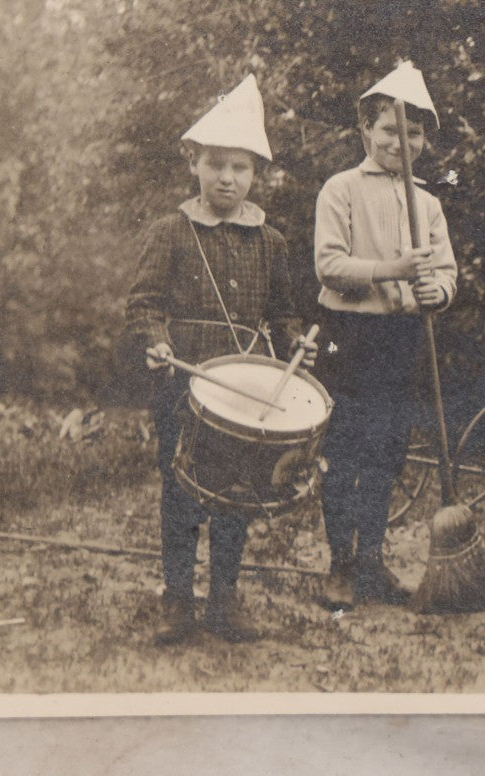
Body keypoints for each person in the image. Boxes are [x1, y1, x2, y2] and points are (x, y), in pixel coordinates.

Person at [125, 74, 317, 644]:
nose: (227, 178)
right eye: (216, 165)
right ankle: (177, 600)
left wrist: (298, 348)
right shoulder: (171, 232)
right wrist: (155, 341)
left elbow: (282, 315)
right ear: (194, 164)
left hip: (246, 385)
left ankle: (225, 601)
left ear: (255, 173)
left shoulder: (272, 242)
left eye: (240, 167)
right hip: (183, 381)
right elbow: (143, 304)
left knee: (239, 491)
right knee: (181, 488)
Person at [312, 62, 457, 610]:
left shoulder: (430, 203)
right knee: (344, 451)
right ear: (366, 132)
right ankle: (340, 566)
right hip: (348, 337)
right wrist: (392, 270)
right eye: (390, 129)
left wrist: (435, 294)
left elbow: (445, 273)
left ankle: (372, 561)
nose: (402, 141)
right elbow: (329, 265)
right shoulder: (340, 190)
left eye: (414, 131)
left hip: (401, 337)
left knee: (386, 453)